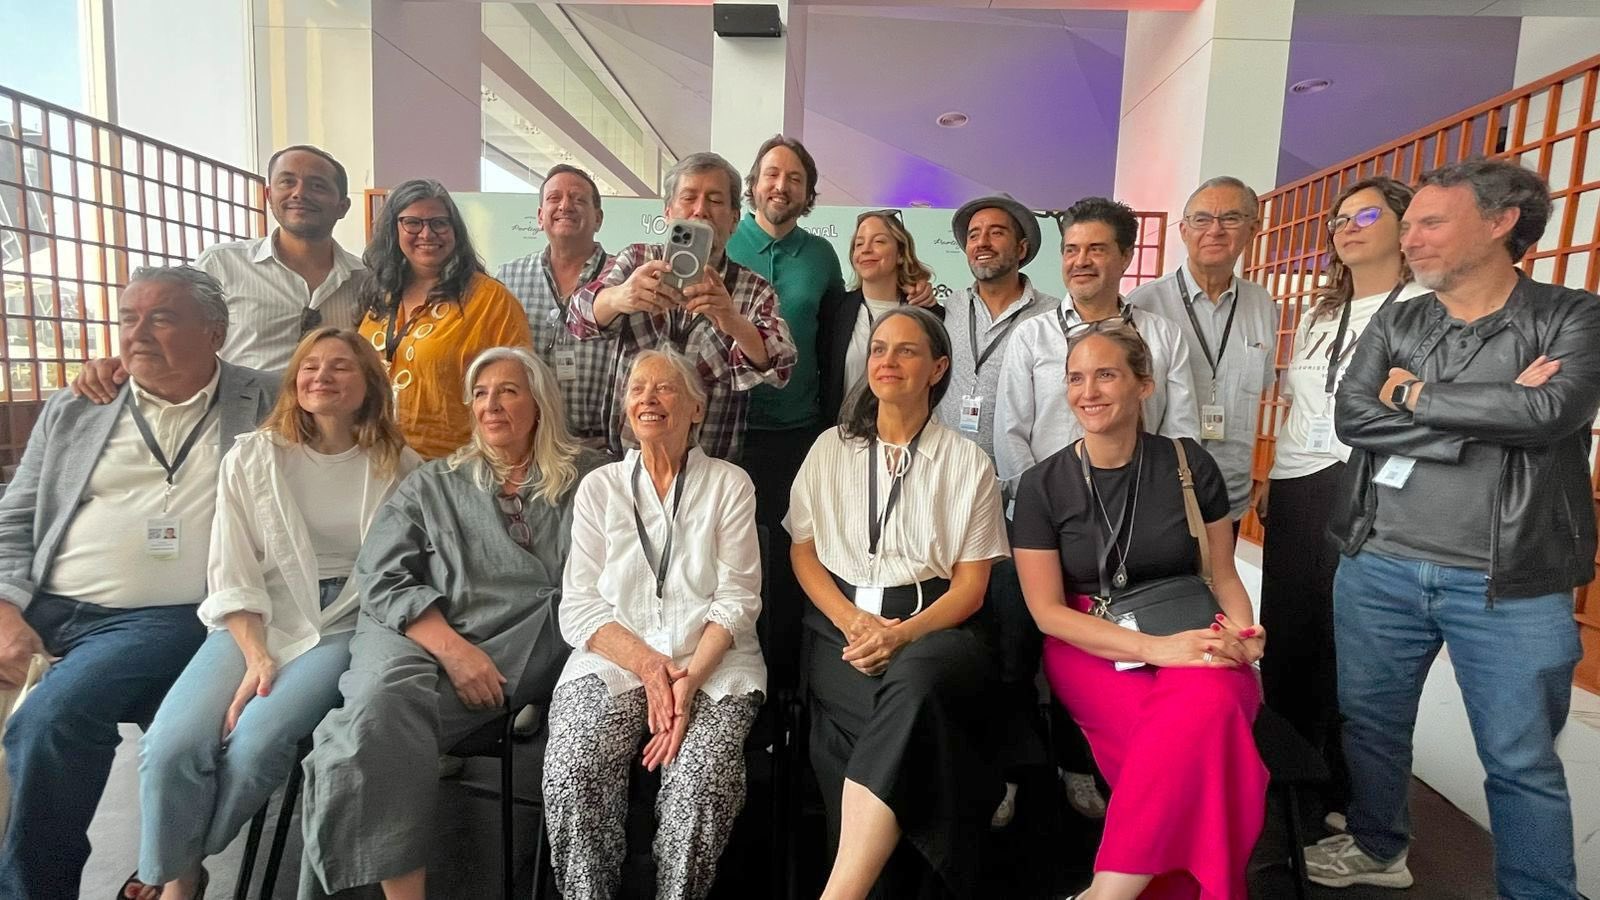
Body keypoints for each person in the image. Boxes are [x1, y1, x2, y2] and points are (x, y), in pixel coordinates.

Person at [1306, 160, 1600, 898]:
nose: (1410, 239)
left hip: (1511, 581)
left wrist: (1417, 396)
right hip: (1378, 562)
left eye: (1431, 222)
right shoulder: (1402, 318)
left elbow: (1550, 412)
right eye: (1407, 226)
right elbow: (1354, 416)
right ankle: (1379, 847)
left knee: (1521, 760)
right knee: (1370, 727)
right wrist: (1490, 410)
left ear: (1501, 223)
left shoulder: (1571, 315)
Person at [0, 266, 277, 899]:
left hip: (162, 615)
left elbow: (354, 399)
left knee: (51, 720)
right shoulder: (78, 405)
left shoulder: (267, 399)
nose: (138, 333)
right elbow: (14, 518)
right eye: (129, 318)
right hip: (46, 602)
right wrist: (5, 612)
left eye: (162, 318)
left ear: (215, 333)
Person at [124, 328, 419, 900]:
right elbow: (231, 567)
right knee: (170, 745)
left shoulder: (398, 464)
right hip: (253, 613)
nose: (321, 376)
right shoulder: (253, 456)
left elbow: (405, 564)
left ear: (368, 385)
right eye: (310, 366)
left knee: (257, 742)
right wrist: (257, 656)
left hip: (342, 620)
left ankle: (178, 870)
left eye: (340, 366)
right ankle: (179, 871)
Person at [299, 347, 603, 897]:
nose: (491, 405)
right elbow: (382, 575)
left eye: (508, 391)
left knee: (367, 731)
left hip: (512, 643)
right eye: (480, 394)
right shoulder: (436, 481)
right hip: (413, 626)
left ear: (541, 402)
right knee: (381, 707)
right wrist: (453, 651)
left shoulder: (591, 479)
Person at [1011, 321, 1267, 900]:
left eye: (1106, 375)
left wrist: (1244, 632)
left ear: (1144, 385)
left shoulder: (1188, 465)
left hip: (1195, 624)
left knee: (1206, 711)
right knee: (1197, 742)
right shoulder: (1042, 486)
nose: (1088, 392)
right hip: (1089, 640)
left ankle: (1106, 893)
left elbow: (1224, 575)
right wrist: (1155, 650)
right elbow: (1047, 613)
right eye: (1075, 378)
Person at [787, 307, 1009, 897]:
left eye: (906, 350)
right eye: (879, 348)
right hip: (840, 622)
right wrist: (852, 621)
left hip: (937, 627)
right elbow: (803, 552)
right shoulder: (829, 449)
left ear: (938, 368)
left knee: (910, 690)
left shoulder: (968, 463)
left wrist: (900, 634)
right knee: (881, 738)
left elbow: (971, 589)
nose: (887, 361)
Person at [544, 350, 765, 899]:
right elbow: (579, 606)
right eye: (637, 388)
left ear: (697, 409)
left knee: (700, 785)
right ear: (625, 408)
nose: (648, 397)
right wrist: (648, 666)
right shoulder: (600, 488)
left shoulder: (730, 484)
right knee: (573, 767)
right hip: (615, 661)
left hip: (712, 665)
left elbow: (737, 600)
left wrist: (685, 685)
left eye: (665, 388)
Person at [1255, 177, 1427, 827]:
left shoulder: (1426, 309)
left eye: (1366, 215)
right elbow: (1300, 404)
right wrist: (1273, 474)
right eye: (1339, 219)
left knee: (1350, 637)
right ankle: (1287, 768)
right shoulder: (1320, 313)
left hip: (1372, 482)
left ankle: (1344, 786)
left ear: (1404, 225)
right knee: (1288, 629)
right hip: (1300, 481)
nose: (1346, 228)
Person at [68, 145, 364, 399]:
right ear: (268, 195)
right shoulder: (222, 264)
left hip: (334, 423)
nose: (299, 193)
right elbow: (175, 330)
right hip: (242, 419)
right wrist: (122, 364)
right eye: (287, 182)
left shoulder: (365, 279)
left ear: (342, 206)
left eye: (317, 186)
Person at [569, 151, 796, 462]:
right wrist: (619, 297)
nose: (700, 210)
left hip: (712, 468)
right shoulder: (637, 261)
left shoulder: (753, 289)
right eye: (688, 198)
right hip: (629, 461)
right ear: (668, 212)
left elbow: (780, 366)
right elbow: (577, 317)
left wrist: (732, 320)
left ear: (734, 219)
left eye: (715, 200)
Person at [997, 197, 1197, 488]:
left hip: (1140, 499)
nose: (1081, 261)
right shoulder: (1032, 336)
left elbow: (1181, 431)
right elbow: (1009, 433)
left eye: (1096, 249)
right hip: (1051, 500)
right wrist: (1037, 496)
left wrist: (1157, 496)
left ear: (1126, 257)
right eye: (1071, 250)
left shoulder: (1163, 336)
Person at [1127, 176, 1277, 521]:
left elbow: (1263, 390)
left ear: (1253, 229)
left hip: (1230, 493)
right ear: (1183, 230)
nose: (1215, 230)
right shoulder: (1145, 304)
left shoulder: (1261, 304)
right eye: (1202, 219)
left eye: (1231, 218)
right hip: (1160, 493)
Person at [359, 178, 533, 459]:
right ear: (394, 229)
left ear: (455, 230)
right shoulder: (380, 294)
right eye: (412, 223)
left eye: (439, 223)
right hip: (377, 457)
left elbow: (520, 387)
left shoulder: (490, 300)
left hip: (455, 464)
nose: (427, 233)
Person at [495, 164, 616, 450]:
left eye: (578, 199)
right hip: (529, 446)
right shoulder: (508, 279)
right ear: (540, 216)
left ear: (598, 218)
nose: (565, 206)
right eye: (554, 198)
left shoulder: (622, 278)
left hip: (604, 449)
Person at [937, 193, 1060, 460]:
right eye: (973, 235)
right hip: (947, 470)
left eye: (996, 233)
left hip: (1018, 474)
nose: (982, 242)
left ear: (1021, 249)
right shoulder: (951, 306)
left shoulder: (1052, 315)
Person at [817, 208, 940, 428]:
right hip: (845, 436)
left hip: (909, 436)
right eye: (859, 244)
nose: (865, 249)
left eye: (879, 241)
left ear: (900, 254)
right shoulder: (834, 311)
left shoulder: (927, 315)